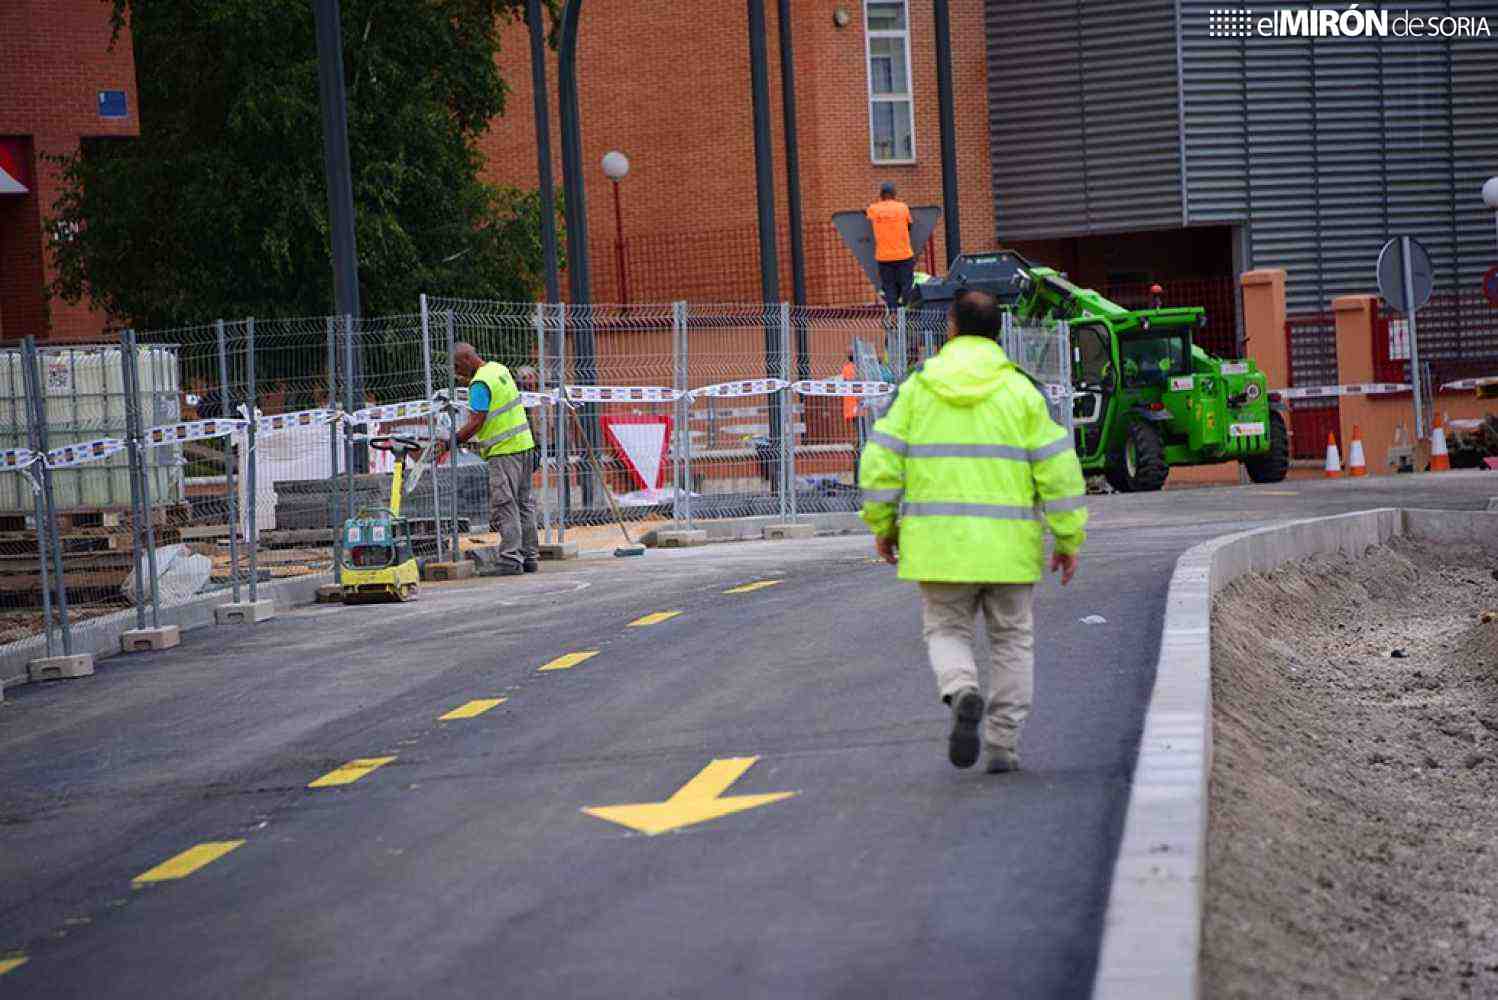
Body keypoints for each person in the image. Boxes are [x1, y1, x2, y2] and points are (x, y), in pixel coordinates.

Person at [858, 289, 1088, 774]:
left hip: (938, 546)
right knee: (1011, 640)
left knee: (946, 630)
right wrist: (1067, 538)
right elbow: (1059, 470)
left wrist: (883, 525)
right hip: (1009, 550)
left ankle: (961, 688)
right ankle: (1003, 743)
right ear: (999, 331)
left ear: (952, 327)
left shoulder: (918, 388)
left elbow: (879, 461)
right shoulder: (1023, 392)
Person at [435, 343, 538, 576]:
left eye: (457, 366)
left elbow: (477, 421)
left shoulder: (479, 384)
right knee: (524, 504)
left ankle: (510, 560)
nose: (457, 372)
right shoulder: (499, 369)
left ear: (467, 360)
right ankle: (530, 557)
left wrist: (453, 440)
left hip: (503, 452)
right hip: (524, 446)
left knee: (506, 504)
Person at [867, 181, 915, 311]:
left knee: (889, 287)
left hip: (884, 257)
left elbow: (867, 216)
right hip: (904, 255)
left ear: (881, 195)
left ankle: (893, 313)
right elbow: (910, 225)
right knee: (906, 284)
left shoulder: (874, 209)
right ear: (894, 194)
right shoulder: (903, 207)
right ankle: (906, 309)